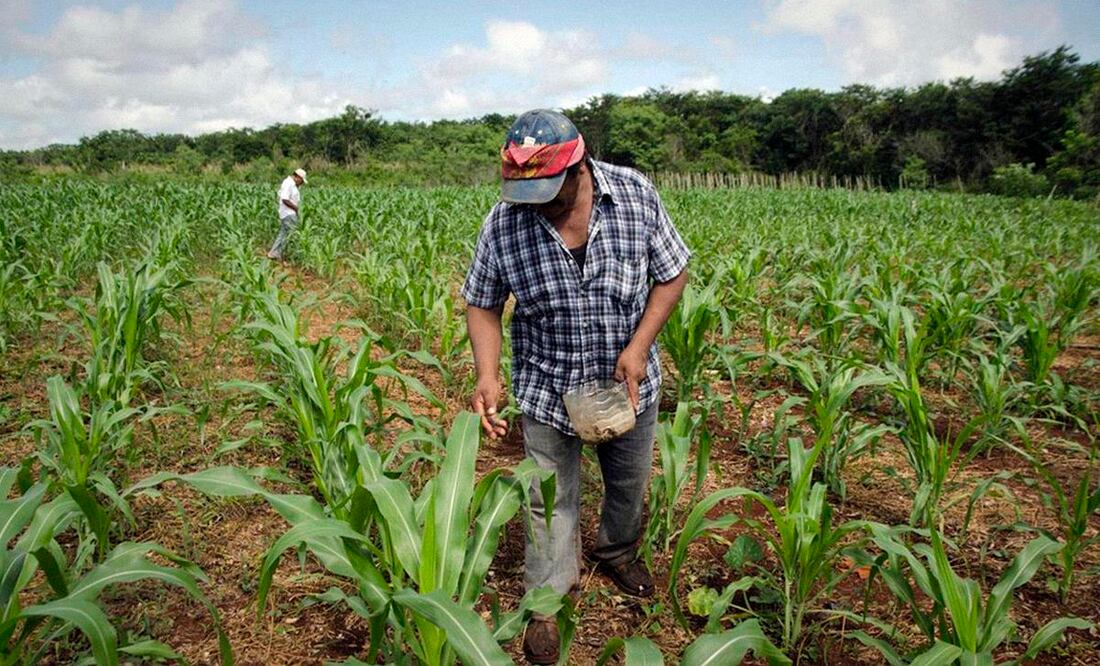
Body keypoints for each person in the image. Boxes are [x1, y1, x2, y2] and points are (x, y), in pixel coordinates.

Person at [461, 109, 689, 664]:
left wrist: (638, 350)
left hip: (626, 381)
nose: (538, 203)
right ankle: (547, 600)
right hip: (546, 387)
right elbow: (482, 301)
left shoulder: (635, 195)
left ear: (580, 167)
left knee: (628, 483)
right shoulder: (504, 222)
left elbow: (672, 271)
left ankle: (617, 550)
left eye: (549, 190)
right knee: (547, 501)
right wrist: (488, 375)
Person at [267, 168, 307, 260]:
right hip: (288, 213)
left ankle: (274, 253)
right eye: (302, 181)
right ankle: (292, 255)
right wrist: (296, 208)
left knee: (283, 233)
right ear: (298, 177)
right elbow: (284, 199)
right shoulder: (288, 183)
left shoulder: (292, 184)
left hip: (287, 213)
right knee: (292, 234)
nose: (301, 183)